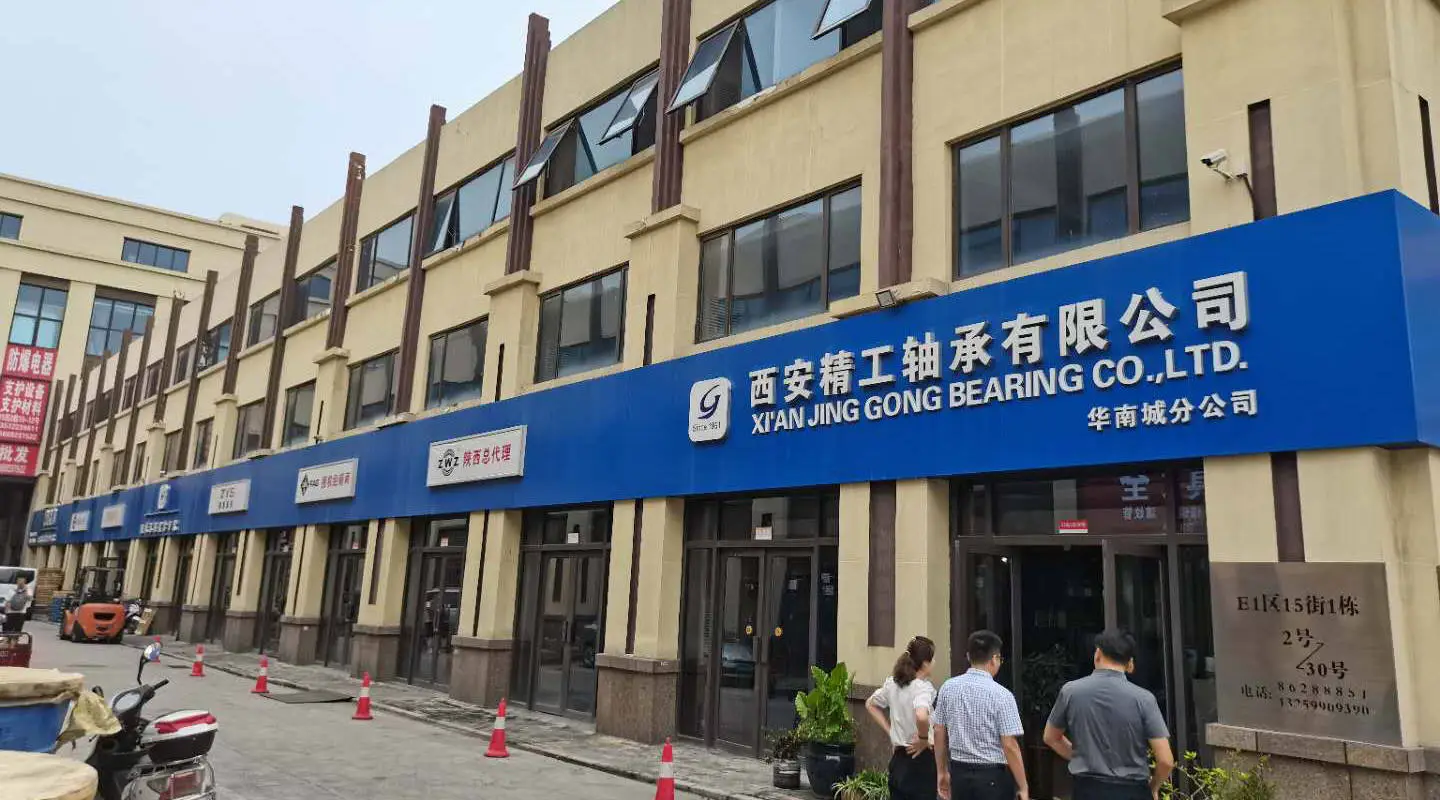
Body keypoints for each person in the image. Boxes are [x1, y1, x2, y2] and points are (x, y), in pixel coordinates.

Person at [1042, 630, 1175, 800]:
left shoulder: (1071, 692)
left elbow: (1051, 737)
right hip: (1133, 791)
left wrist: (1082, 757)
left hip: (1087, 789)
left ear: (1097, 654)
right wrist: (1153, 787)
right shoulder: (1144, 699)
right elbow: (1166, 760)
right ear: (1130, 664)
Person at [932, 630, 1028, 800]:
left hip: (959, 773)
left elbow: (938, 730)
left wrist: (942, 771)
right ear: (994, 659)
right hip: (992, 777)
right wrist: (1023, 785)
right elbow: (1009, 745)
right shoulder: (1002, 695)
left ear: (969, 656)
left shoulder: (948, 688)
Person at [865, 636, 938, 800]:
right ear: (925, 663)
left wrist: (890, 731)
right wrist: (923, 739)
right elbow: (921, 715)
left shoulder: (893, 684)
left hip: (898, 759)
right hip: (921, 761)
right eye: (932, 658)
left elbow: (870, 704)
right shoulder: (922, 688)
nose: (934, 662)